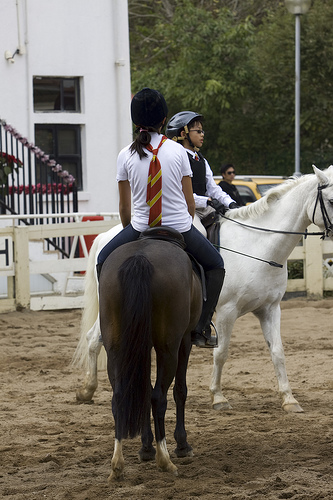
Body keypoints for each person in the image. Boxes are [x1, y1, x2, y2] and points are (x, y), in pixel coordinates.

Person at [97, 88, 225, 348]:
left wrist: (133, 235)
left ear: (136, 122)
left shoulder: (125, 155)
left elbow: (124, 207)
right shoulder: (178, 152)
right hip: (179, 227)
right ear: (164, 120)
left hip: (140, 228)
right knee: (216, 266)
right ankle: (200, 327)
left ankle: (109, 321)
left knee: (102, 260)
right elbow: (190, 203)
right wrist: (183, 225)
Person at [165, 112, 239, 234]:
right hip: (186, 210)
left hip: (205, 208)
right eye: (198, 131)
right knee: (201, 233)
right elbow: (180, 193)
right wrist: (207, 201)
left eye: (202, 131)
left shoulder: (201, 159)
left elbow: (212, 188)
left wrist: (230, 203)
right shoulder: (175, 159)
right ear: (184, 134)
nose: (202, 135)